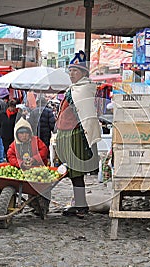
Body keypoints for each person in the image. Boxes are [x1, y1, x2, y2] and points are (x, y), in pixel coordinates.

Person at [56, 50, 101, 218]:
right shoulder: (74, 89)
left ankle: (81, 205)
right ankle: (79, 203)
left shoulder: (83, 89)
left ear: (83, 73)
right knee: (71, 172)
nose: (71, 74)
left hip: (75, 136)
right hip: (66, 134)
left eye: (75, 70)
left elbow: (84, 114)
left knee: (76, 172)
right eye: (70, 70)